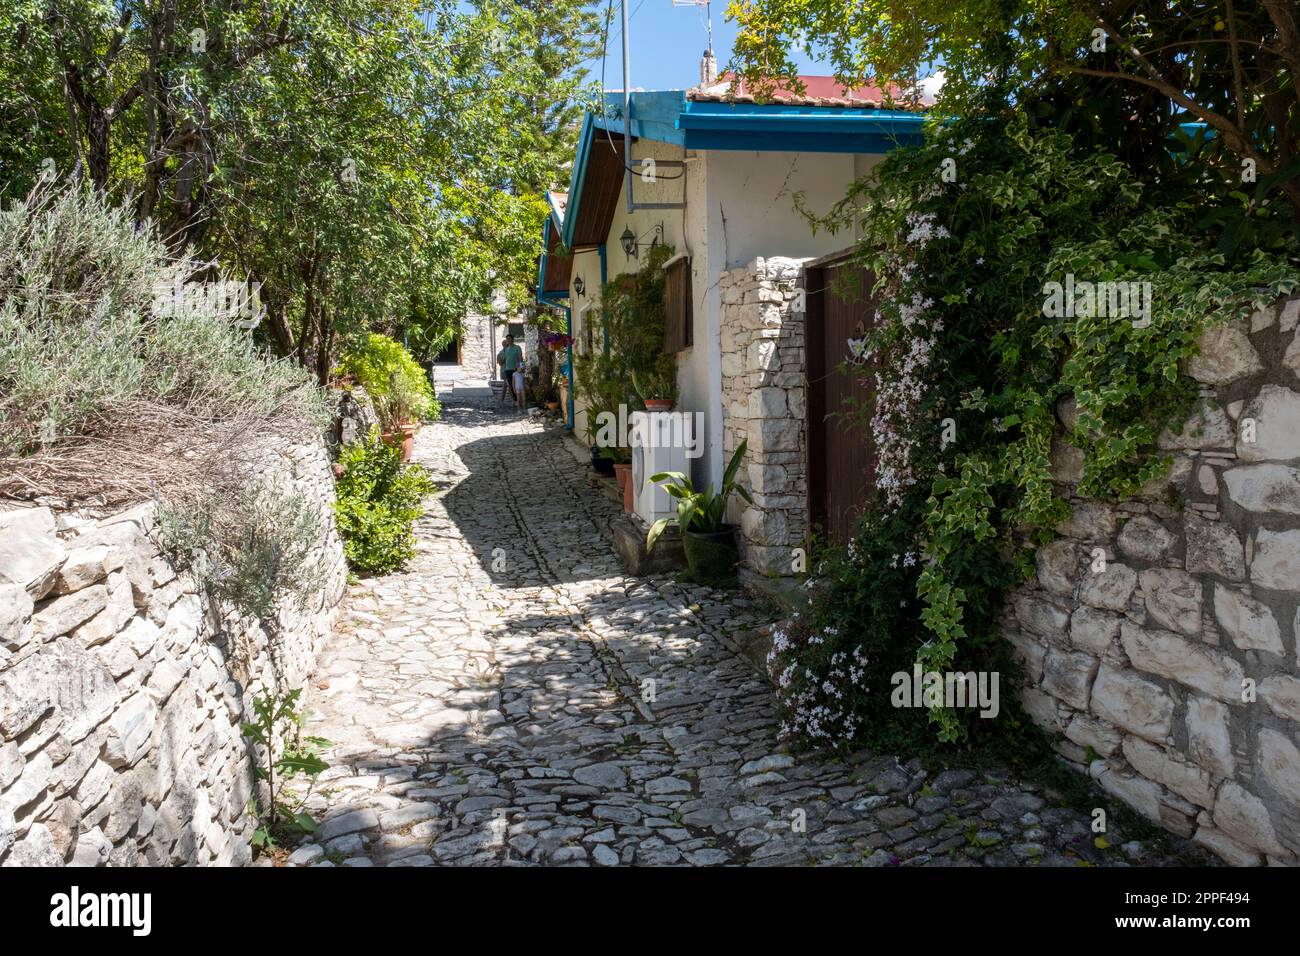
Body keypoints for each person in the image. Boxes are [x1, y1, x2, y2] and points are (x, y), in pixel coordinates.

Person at [497, 334, 524, 409]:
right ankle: (516, 401)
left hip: (515, 369)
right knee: (511, 386)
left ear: (513, 339)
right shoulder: (506, 349)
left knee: (517, 385)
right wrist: (499, 360)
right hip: (507, 370)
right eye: (507, 339)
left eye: (509, 338)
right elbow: (503, 359)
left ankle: (520, 401)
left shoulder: (517, 347)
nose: (508, 340)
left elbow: (520, 358)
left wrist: (521, 367)